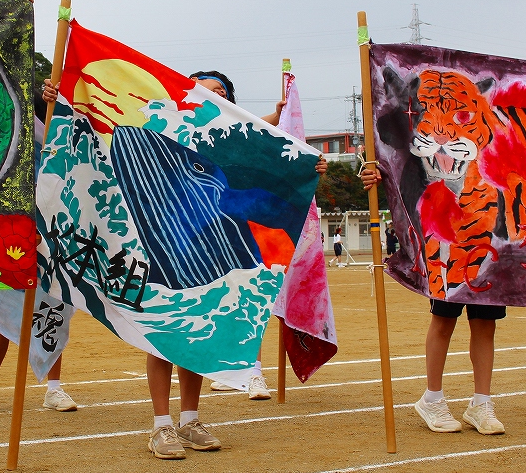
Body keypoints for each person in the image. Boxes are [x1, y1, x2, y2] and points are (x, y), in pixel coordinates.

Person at [194, 71, 329, 402]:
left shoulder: (240, 134)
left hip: (239, 225)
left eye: (222, 90)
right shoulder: (179, 127)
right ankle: (223, 369)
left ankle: (251, 371)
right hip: (196, 230)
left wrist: (309, 165)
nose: (217, 94)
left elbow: (264, 138)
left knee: (247, 296)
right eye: (208, 89)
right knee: (208, 302)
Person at [362, 167, 504, 436]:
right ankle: (432, 398)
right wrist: (380, 171)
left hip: (487, 237)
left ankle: (481, 403)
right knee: (444, 320)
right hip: (445, 237)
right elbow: (406, 161)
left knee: (486, 324)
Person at [0, 78, 78, 415]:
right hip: (9, 234)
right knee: (5, 313)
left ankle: (54, 389)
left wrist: (53, 99)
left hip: (52, 231)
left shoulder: (52, 131)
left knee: (54, 309)